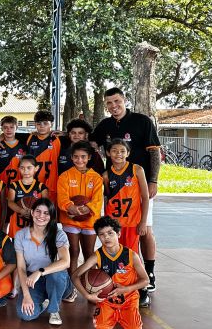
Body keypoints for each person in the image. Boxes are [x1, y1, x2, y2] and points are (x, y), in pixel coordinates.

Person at [90, 86, 161, 306]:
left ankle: (147, 275)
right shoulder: (105, 125)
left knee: (144, 230)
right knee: (117, 239)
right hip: (115, 187)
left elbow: (154, 152)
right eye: (109, 103)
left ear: (125, 100)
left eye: (117, 101)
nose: (114, 106)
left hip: (139, 184)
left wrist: (153, 180)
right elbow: (90, 143)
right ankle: (117, 277)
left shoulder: (142, 121)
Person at [72, 216, 149, 329]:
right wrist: (87, 295)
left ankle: (123, 315)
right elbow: (75, 275)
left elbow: (146, 280)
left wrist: (125, 289)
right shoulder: (97, 256)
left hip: (128, 299)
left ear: (118, 234)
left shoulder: (131, 255)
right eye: (101, 234)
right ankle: (113, 315)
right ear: (98, 237)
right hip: (106, 300)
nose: (106, 237)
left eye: (110, 233)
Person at [14, 198, 72, 326]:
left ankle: (54, 309)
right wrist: (26, 295)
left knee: (56, 274)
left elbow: (66, 262)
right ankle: (46, 303)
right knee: (25, 315)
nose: (41, 216)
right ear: (32, 213)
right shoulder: (20, 235)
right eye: (38, 211)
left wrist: (40, 272)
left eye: (46, 213)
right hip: (32, 281)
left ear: (51, 216)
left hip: (56, 280)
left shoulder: (58, 234)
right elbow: (21, 268)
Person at [56, 141, 104, 280]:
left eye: (83, 156)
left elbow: (97, 199)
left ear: (89, 157)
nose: (79, 160)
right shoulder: (65, 176)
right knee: (73, 251)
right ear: (71, 157)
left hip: (90, 221)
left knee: (89, 252)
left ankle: (90, 282)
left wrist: (86, 208)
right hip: (70, 220)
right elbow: (62, 197)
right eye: (76, 156)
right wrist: (71, 207)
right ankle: (71, 284)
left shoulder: (96, 177)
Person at [103, 139, 149, 254]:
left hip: (132, 223)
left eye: (122, 151)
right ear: (108, 153)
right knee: (113, 254)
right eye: (114, 151)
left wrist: (143, 222)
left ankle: (135, 273)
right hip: (113, 223)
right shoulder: (106, 175)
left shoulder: (137, 170)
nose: (119, 154)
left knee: (131, 255)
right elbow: (107, 199)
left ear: (128, 153)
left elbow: (145, 197)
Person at [6, 154, 48, 238]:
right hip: (17, 224)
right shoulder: (14, 186)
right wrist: (21, 210)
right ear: (18, 169)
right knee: (17, 249)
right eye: (22, 168)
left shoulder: (41, 187)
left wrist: (34, 212)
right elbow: (10, 202)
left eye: (29, 168)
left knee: (34, 248)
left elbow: (45, 204)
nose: (25, 171)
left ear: (36, 168)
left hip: (35, 224)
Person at [25, 109, 61, 198]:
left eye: (45, 123)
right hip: (33, 184)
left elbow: (76, 136)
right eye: (39, 123)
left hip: (52, 184)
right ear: (35, 124)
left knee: (49, 210)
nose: (42, 126)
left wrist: (64, 133)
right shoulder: (29, 137)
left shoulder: (58, 138)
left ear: (51, 124)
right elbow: (7, 136)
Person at [0, 115, 26, 185]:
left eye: (11, 127)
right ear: (2, 129)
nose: (8, 130)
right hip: (1, 183)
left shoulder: (23, 144)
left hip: (19, 184)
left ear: (16, 127)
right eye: (5, 127)